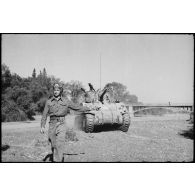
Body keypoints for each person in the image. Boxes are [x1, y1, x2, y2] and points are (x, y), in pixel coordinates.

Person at [40, 83, 90, 162]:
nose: (56, 91)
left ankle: (58, 161)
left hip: (62, 123)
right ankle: (56, 156)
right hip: (52, 124)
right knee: (53, 143)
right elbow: (44, 115)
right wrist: (42, 126)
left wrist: (88, 108)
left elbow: (76, 107)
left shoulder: (66, 101)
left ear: (60, 91)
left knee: (60, 143)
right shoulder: (49, 102)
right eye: (54, 90)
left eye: (58, 90)